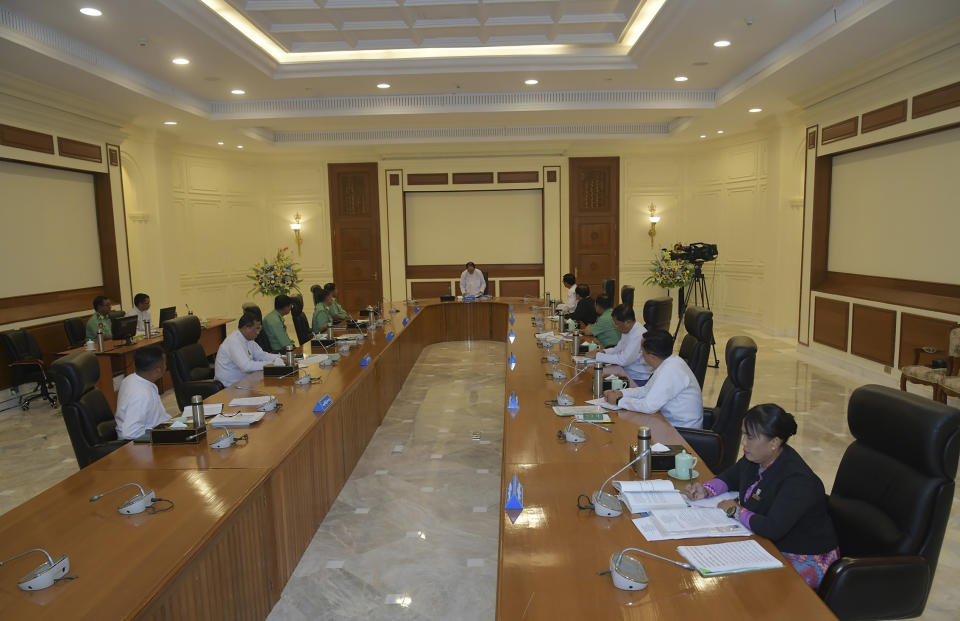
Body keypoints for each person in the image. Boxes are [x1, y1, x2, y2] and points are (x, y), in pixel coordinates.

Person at [683, 405, 839, 589]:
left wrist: (734, 510)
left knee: (746, 587)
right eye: (743, 435)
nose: (744, 443)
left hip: (805, 557)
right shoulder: (756, 457)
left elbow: (772, 528)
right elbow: (731, 476)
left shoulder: (798, 480)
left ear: (774, 443)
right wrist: (706, 489)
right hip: (766, 543)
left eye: (750, 437)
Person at [603, 329, 702, 428]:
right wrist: (621, 393)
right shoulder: (669, 362)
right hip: (667, 421)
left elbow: (648, 406)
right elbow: (646, 390)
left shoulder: (670, 370)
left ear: (652, 357)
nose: (641, 355)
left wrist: (618, 401)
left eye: (642, 352)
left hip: (681, 432)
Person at [584, 304, 652, 386]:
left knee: (599, 384)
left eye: (617, 324)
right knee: (593, 375)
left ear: (628, 322)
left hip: (636, 377)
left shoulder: (638, 335)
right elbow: (618, 349)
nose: (616, 327)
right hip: (625, 370)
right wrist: (603, 351)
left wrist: (598, 356)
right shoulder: (627, 329)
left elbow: (623, 360)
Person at [114, 346, 171, 440]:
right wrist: (161, 436)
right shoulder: (142, 395)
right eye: (165, 364)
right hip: (143, 444)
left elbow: (159, 416)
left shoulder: (130, 379)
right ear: (158, 371)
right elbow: (130, 433)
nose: (166, 366)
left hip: (156, 429)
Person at [215, 313, 286, 387]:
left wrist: (280, 358)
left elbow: (262, 355)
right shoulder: (234, 341)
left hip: (244, 383)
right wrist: (273, 364)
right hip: (229, 387)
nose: (258, 332)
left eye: (259, 328)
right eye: (256, 328)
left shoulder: (249, 340)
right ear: (246, 328)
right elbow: (246, 367)